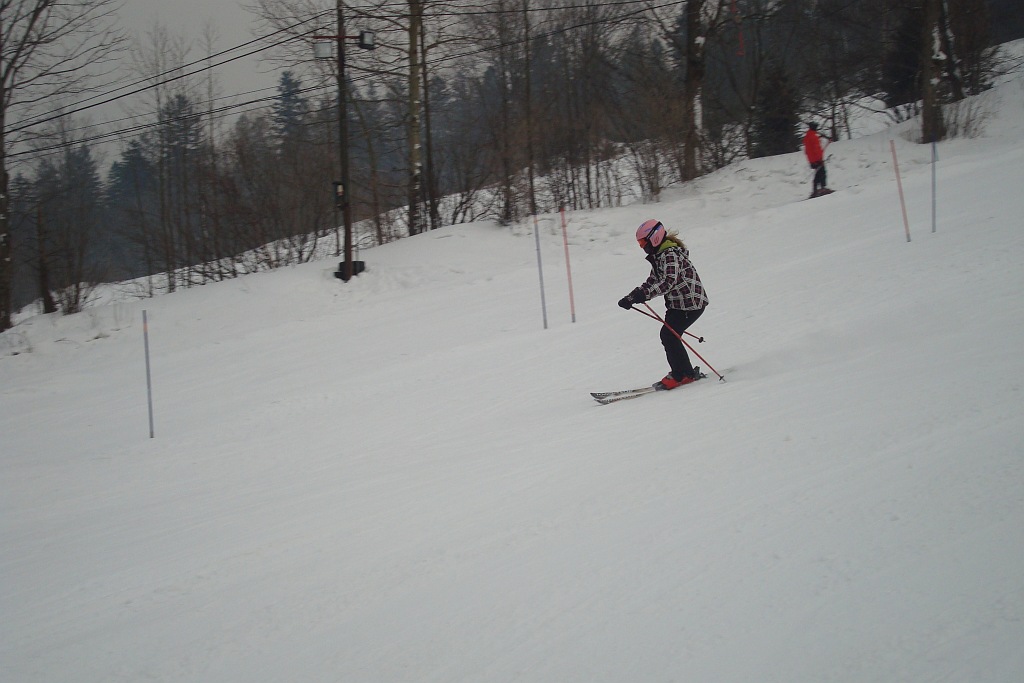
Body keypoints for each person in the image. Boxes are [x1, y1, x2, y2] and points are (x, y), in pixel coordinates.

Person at [617, 219, 709, 390]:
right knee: (669, 336)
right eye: (640, 243)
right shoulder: (660, 255)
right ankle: (684, 372)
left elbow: (668, 282)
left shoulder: (670, 255)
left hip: (690, 303)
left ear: (655, 237)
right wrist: (631, 297)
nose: (642, 247)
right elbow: (653, 280)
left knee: (669, 335)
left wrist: (644, 295)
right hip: (677, 304)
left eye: (643, 242)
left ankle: (682, 375)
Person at [803, 122, 832, 198]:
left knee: (818, 174)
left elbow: (807, 151)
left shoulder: (807, 137)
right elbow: (816, 149)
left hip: (812, 160)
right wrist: (820, 159)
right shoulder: (814, 137)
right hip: (817, 159)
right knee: (822, 173)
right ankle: (822, 189)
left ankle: (815, 190)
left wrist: (811, 161)